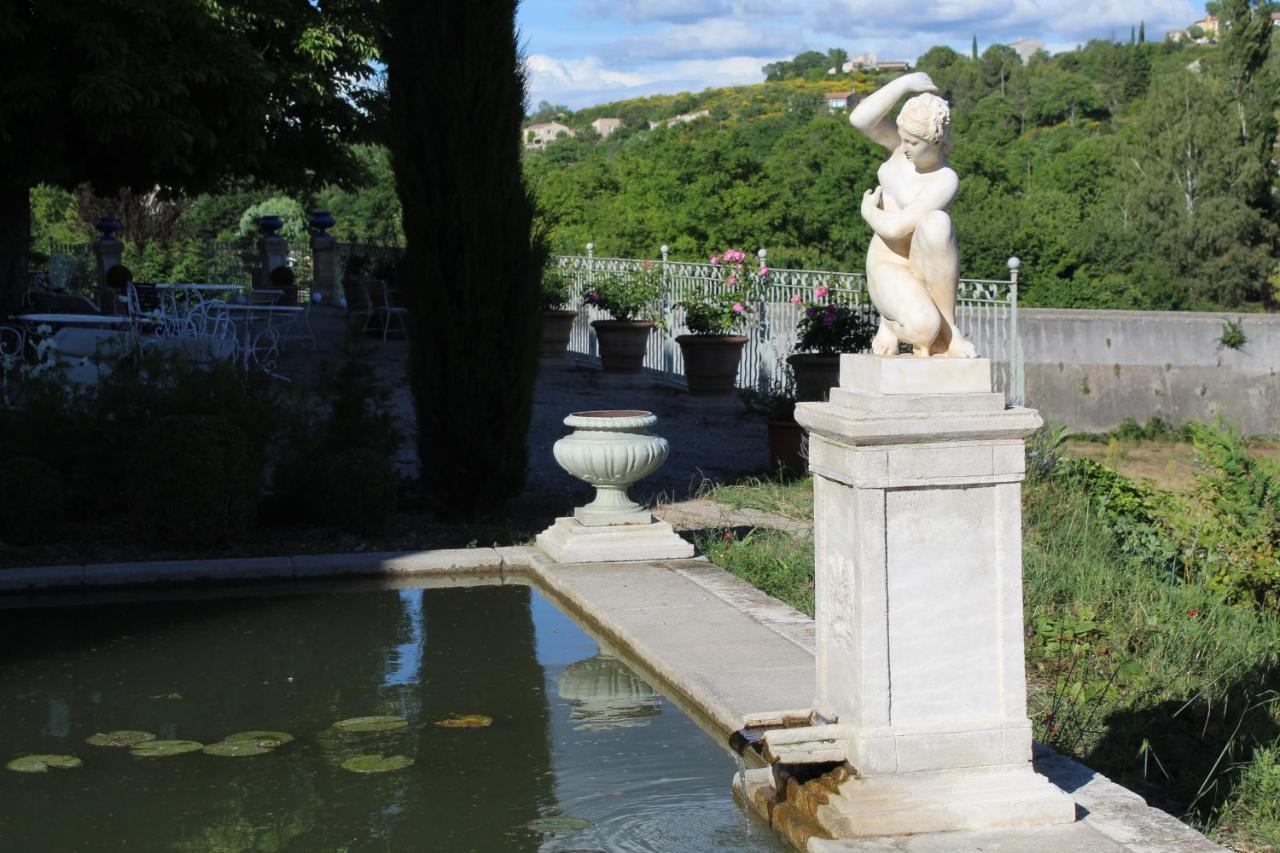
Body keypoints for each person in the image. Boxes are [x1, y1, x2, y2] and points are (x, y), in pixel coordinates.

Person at [850, 72, 976, 358]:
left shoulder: (944, 178)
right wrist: (904, 84)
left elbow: (896, 228)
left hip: (921, 263)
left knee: (937, 223)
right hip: (888, 263)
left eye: (912, 143)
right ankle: (891, 322)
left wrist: (868, 210)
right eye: (903, 139)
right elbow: (859, 119)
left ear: (936, 141)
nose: (904, 147)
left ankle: (950, 330)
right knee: (922, 331)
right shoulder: (899, 149)